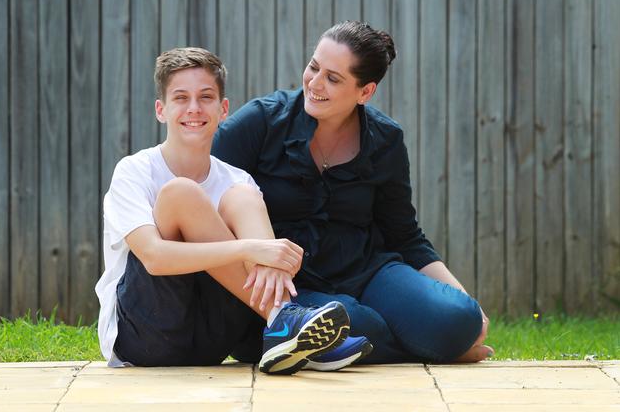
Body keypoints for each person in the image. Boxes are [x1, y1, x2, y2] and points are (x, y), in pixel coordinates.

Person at [212, 21, 494, 364]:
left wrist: (465, 302)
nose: (314, 83)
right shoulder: (260, 122)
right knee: (359, 322)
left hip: (368, 272)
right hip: (289, 288)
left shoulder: (386, 139)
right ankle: (427, 348)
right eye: (314, 67)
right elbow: (210, 201)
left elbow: (405, 236)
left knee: (459, 318)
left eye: (333, 78)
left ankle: (422, 343)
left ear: (365, 92)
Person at [94, 47, 369, 375]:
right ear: (161, 110)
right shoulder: (135, 170)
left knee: (241, 196)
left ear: (223, 109)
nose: (194, 108)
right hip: (145, 337)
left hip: (213, 339)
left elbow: (265, 261)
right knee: (181, 193)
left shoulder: (239, 180)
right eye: (181, 98)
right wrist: (251, 248)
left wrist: (266, 256)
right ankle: (284, 319)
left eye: (206, 97)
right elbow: (153, 257)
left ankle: (282, 325)